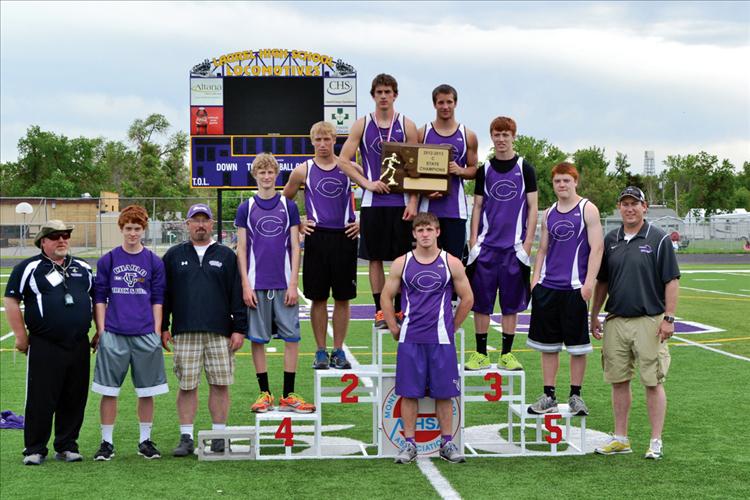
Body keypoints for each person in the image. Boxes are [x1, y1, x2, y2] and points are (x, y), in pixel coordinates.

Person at [590, 186, 680, 460]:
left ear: (644, 207)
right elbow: (602, 281)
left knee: (652, 381)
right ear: (619, 207)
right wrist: (594, 314)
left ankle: (655, 440)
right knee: (618, 380)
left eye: (634, 204)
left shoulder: (659, 239)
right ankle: (620, 438)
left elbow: (671, 280)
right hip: (616, 319)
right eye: (625, 204)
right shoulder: (612, 239)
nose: (629, 208)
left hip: (649, 320)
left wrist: (668, 318)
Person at [381, 212, 474, 464]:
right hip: (410, 338)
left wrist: (452, 327)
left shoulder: (451, 262)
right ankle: (409, 444)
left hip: (441, 340)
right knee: (409, 393)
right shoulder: (402, 262)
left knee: (444, 393)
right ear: (414, 234)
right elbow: (386, 295)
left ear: (438, 232)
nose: (425, 234)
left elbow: (467, 298)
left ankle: (446, 444)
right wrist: (392, 326)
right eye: (420, 230)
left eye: (429, 229)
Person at [4, 220, 94, 465]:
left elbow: (97, 300)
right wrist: (21, 336)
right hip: (45, 343)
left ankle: (67, 445)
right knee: (41, 397)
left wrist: (100, 331)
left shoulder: (83, 267)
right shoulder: (28, 267)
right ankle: (34, 448)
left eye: (65, 235)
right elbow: (11, 302)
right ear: (43, 241)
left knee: (74, 397)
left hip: (78, 343)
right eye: (55, 236)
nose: (62, 240)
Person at [161, 203, 247, 457]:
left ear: (212, 224)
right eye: (195, 220)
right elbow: (164, 296)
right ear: (187, 225)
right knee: (187, 386)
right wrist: (164, 326)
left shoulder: (226, 255)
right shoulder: (174, 255)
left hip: (220, 331)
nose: (200, 225)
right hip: (184, 331)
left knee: (220, 384)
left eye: (205, 220)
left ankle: (219, 435)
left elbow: (237, 294)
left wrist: (239, 328)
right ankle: (186, 437)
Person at [336, 73, 419, 329]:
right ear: (373, 96)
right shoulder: (362, 124)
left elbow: (416, 168)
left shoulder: (407, 125)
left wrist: (414, 201)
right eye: (379, 92)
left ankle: (400, 309)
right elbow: (342, 160)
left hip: (401, 202)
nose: (383, 96)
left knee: (404, 259)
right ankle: (380, 311)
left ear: (395, 95)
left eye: (388, 92)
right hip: (374, 203)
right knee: (374, 259)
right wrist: (366, 183)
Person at [237, 153, 315, 414]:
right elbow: (242, 248)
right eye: (262, 172)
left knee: (292, 337)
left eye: (271, 172)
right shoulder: (246, 207)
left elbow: (295, 246)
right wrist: (245, 286)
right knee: (257, 339)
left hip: (283, 283)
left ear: (276, 174)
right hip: (256, 284)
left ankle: (288, 393)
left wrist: (294, 283)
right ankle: (265, 393)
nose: (267, 176)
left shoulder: (287, 205)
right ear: (255, 175)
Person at [91, 205, 168, 461]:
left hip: (145, 332)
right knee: (109, 390)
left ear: (143, 229)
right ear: (121, 229)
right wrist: (101, 329)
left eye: (137, 228)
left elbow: (158, 298)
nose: (132, 233)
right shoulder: (109, 260)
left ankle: (145, 441)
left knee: (147, 391)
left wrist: (156, 330)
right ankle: (106, 442)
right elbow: (99, 297)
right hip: (114, 332)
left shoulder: (153, 261)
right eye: (128, 229)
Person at [526, 163, 603, 416]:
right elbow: (544, 249)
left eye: (566, 181)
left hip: (574, 288)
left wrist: (589, 283)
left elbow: (597, 248)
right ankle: (548, 394)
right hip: (548, 287)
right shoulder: (548, 213)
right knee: (548, 346)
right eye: (557, 181)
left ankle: (576, 395)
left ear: (575, 182)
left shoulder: (587, 209)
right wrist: (535, 279)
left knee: (577, 347)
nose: (561, 185)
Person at [283, 121, 359, 370]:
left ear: (335, 140)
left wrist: (362, 223)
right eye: (318, 140)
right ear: (312, 141)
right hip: (318, 238)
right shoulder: (303, 170)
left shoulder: (349, 168)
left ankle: (338, 350)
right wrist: (300, 222)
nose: (323, 144)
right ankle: (320, 352)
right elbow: (285, 201)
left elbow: (374, 196)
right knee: (318, 298)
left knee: (342, 298)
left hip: (345, 236)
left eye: (327, 139)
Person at [465, 116, 538, 371]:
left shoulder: (524, 168)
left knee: (510, 304)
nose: (501, 139)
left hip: (513, 249)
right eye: (497, 134)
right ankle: (481, 353)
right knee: (481, 302)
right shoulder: (484, 170)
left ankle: (506, 353)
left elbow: (532, 206)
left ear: (513, 137)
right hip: (486, 248)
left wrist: (527, 244)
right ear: (492, 137)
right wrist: (473, 241)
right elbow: (477, 206)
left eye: (506, 134)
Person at [418, 84, 478, 260]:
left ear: (455, 103)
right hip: (427, 209)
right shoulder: (422, 133)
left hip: (455, 210)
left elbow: (474, 170)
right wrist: (424, 190)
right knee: (426, 260)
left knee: (454, 262)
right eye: (441, 102)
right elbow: (411, 171)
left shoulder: (468, 135)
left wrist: (459, 170)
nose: (445, 106)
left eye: (449, 102)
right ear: (434, 104)